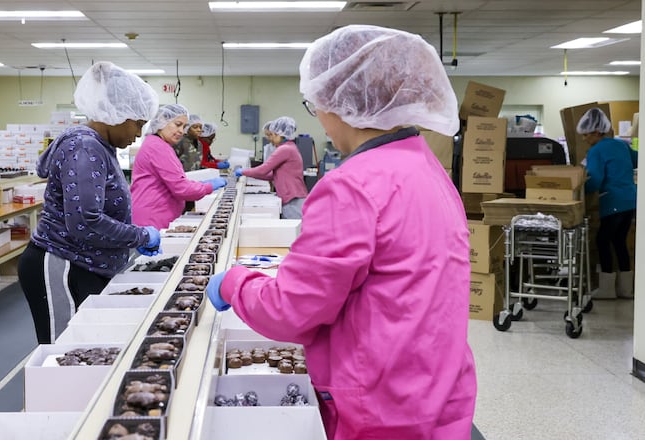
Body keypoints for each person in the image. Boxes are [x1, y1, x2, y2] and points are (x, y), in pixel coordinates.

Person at [206, 25, 476, 439]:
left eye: (315, 104)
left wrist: (235, 284)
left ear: (340, 102)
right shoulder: (428, 168)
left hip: (380, 407)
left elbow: (292, 311)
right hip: (437, 393)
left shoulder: (353, 184)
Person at [17, 62, 161, 344]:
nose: (139, 134)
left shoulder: (100, 147)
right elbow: (85, 219)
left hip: (86, 263)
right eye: (138, 124)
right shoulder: (85, 147)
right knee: (67, 349)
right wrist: (139, 235)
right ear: (116, 114)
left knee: (89, 348)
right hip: (62, 263)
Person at [131, 104, 227, 230]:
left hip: (154, 216)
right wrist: (208, 186)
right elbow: (181, 188)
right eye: (177, 124)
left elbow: (175, 180)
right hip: (152, 220)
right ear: (161, 121)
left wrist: (199, 184)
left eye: (184, 126)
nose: (182, 131)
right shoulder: (158, 147)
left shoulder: (159, 144)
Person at [579, 107, 638, 299]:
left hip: (613, 201)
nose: (584, 139)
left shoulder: (596, 150)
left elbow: (595, 179)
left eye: (586, 135)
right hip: (630, 200)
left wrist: (577, 191)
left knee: (603, 240)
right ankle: (626, 289)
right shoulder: (620, 145)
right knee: (619, 241)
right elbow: (637, 159)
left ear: (597, 132)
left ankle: (607, 289)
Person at [235, 116, 308, 219]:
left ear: (280, 134)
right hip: (292, 197)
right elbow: (272, 175)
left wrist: (243, 172)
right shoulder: (289, 147)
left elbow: (263, 169)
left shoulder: (285, 149)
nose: (270, 139)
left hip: (293, 199)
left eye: (272, 135)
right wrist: (250, 175)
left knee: (293, 233)